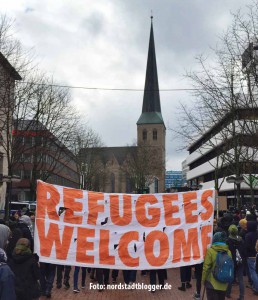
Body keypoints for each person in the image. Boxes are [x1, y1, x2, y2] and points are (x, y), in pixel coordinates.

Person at [202, 231, 232, 300]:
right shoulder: (228, 252)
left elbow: (206, 268)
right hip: (224, 282)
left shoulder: (210, 251)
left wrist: (203, 280)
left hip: (211, 282)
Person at [226, 224, 245, 300]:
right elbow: (244, 251)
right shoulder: (241, 239)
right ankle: (242, 296)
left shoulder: (228, 240)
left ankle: (228, 293)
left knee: (230, 278)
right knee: (241, 279)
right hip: (240, 261)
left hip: (231, 261)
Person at [245, 220, 258, 295]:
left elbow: (247, 246)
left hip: (251, 256)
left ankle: (256, 288)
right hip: (257, 254)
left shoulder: (248, 235)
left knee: (253, 272)